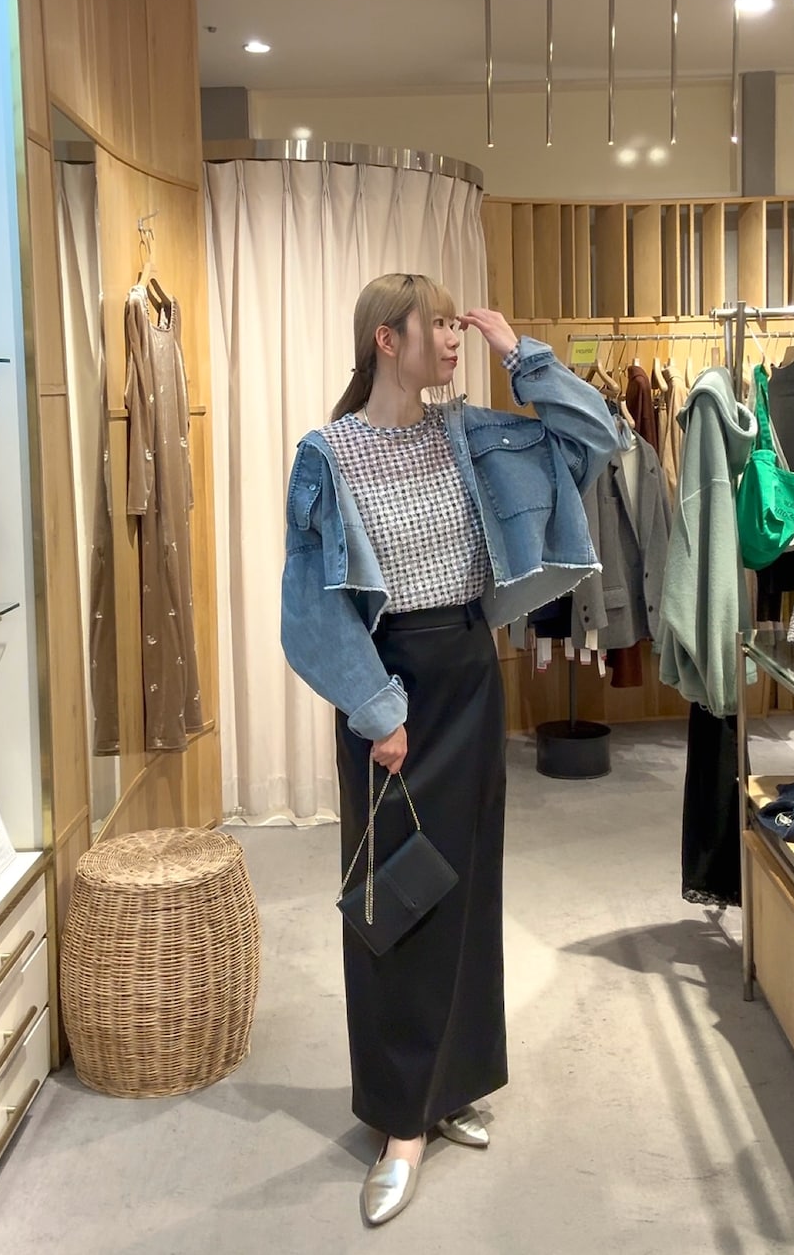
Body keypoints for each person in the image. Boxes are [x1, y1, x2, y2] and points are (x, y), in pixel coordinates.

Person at [280, 272, 618, 1225]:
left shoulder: (469, 432)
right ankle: (400, 1118)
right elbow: (309, 606)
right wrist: (377, 709)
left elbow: (597, 440)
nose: (453, 337)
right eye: (437, 324)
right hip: (387, 688)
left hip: (468, 673)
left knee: (465, 887)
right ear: (387, 340)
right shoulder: (329, 454)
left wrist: (522, 355)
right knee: (395, 902)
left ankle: (452, 1084)